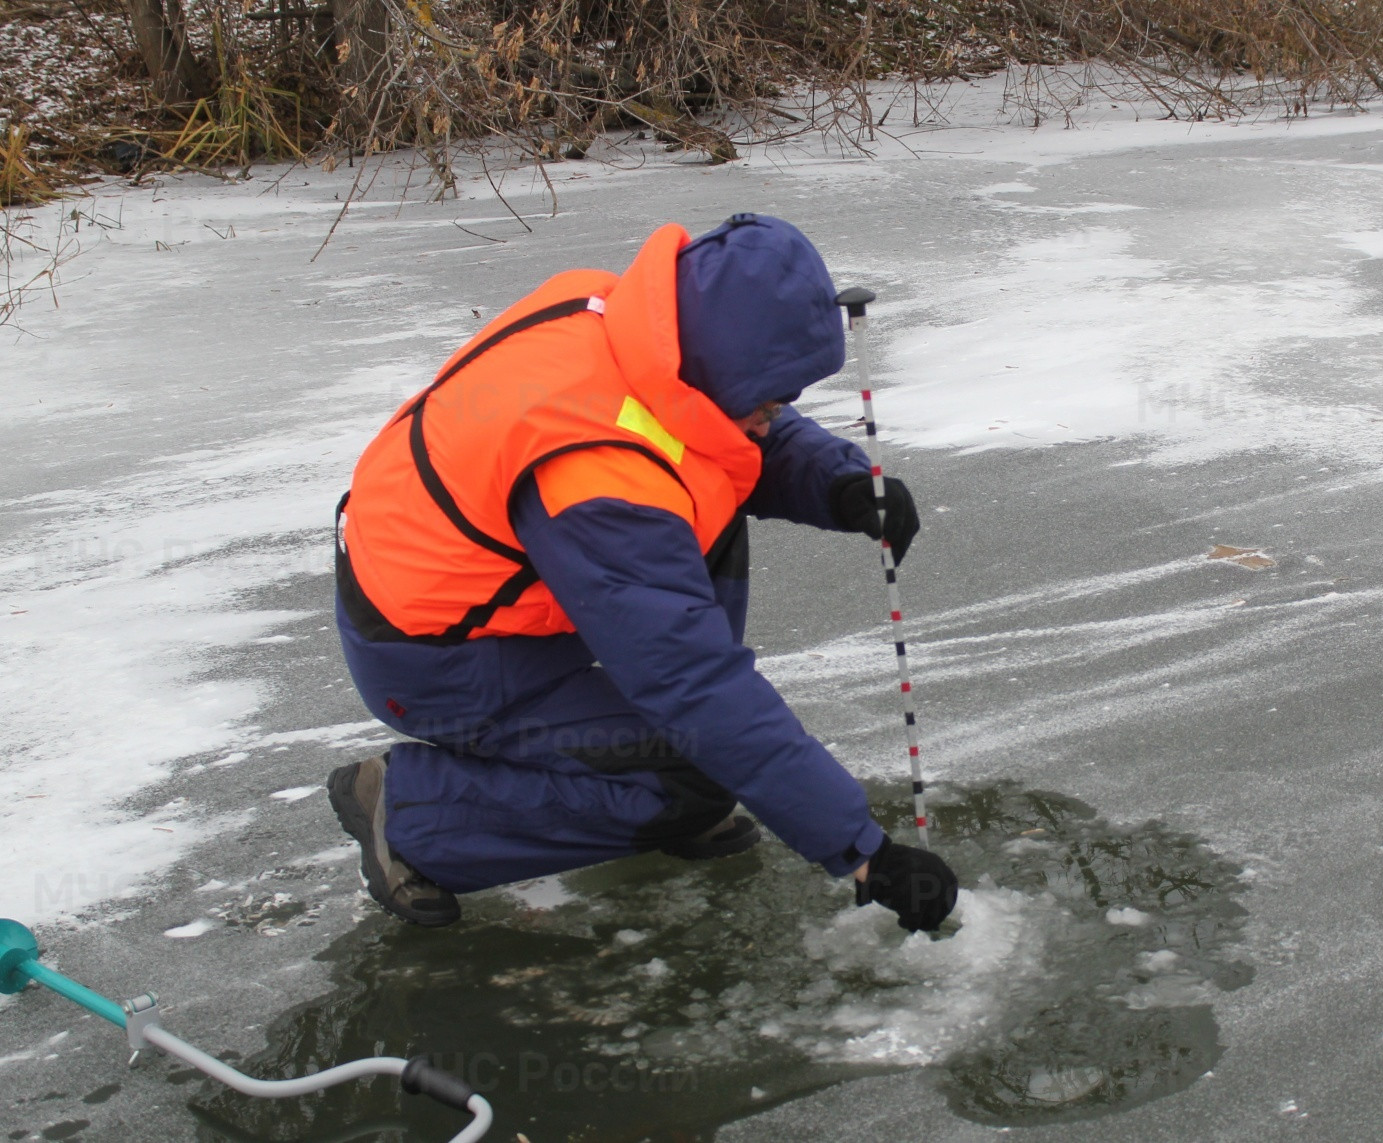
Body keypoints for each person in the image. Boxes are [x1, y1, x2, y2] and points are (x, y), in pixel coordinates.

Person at [324, 213, 957, 934]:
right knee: (698, 767)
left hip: (486, 580)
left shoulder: (623, 317)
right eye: (771, 400)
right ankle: (412, 814)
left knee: (705, 505)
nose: (774, 417)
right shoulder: (596, 475)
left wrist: (837, 483)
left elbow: (708, 422)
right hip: (439, 654)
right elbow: (694, 681)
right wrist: (865, 855)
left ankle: (663, 775)